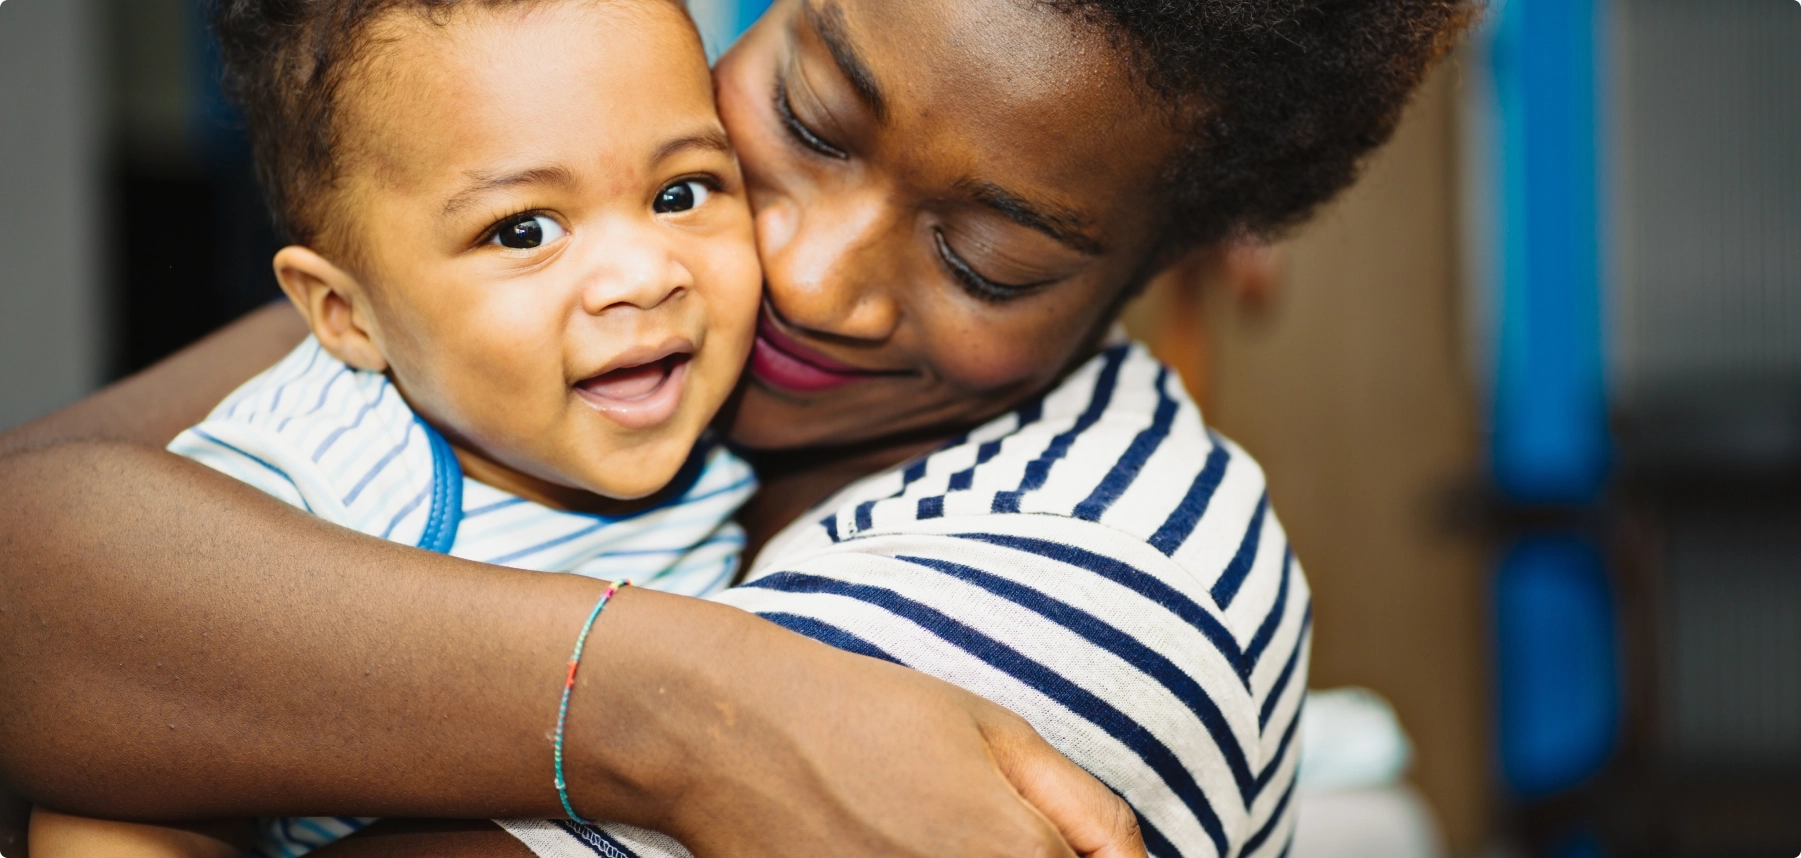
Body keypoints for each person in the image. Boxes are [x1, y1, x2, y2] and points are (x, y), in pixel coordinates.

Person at [0, 1, 1474, 857]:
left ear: (1155, 269)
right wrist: (686, 704)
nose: (811, 277)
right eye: (814, 115)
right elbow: (33, 541)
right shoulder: (602, 273)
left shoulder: (1111, 581)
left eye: (988, 261)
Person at [29, 1, 764, 855]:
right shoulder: (309, 481)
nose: (643, 276)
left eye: (680, 193)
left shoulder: (738, 416)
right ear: (346, 313)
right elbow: (113, 772)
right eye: (523, 230)